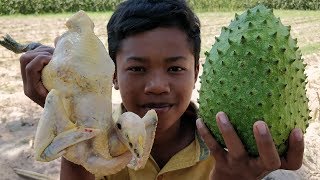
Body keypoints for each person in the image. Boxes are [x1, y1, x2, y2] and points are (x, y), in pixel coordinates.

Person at [19, 0, 304, 179]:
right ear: (113, 75)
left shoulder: (233, 151)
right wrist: (73, 115)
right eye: (137, 69)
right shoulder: (104, 137)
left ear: (196, 74)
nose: (157, 86)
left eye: (175, 68)